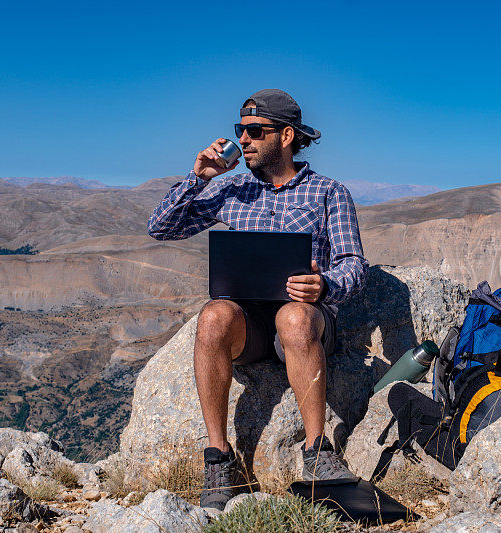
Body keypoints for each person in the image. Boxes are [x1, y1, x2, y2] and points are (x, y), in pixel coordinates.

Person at [147, 89, 369, 510]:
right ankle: (218, 458)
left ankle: (318, 452)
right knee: (212, 316)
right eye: (239, 131)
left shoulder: (328, 193)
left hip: (308, 318)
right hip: (249, 323)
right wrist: (199, 177)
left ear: (286, 136)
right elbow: (161, 228)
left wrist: (325, 286)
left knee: (295, 319)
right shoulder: (230, 191)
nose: (242, 140)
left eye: (253, 131)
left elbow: (354, 264)